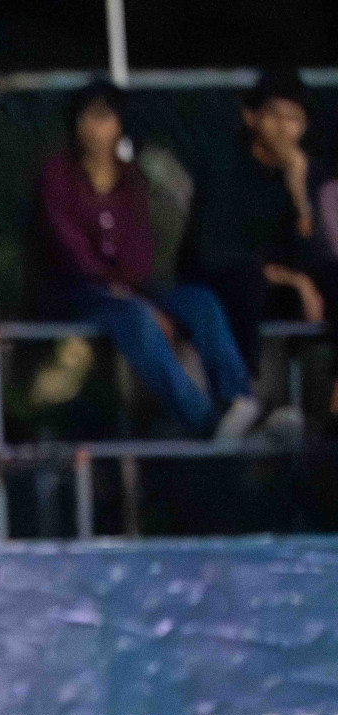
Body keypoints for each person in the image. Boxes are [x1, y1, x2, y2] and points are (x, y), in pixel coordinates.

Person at [36, 81, 260, 440]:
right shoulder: (57, 176)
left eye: (104, 118)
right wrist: (129, 296)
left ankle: (240, 403)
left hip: (136, 289)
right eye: (86, 118)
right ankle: (204, 421)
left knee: (201, 302)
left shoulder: (132, 179)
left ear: (119, 125)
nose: (93, 128)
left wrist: (138, 292)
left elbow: (140, 250)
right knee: (140, 319)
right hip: (80, 292)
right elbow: (70, 249)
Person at [182, 69, 338, 410]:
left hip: (286, 287)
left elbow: (313, 255)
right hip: (232, 279)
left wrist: (299, 195)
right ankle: (241, 400)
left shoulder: (307, 172)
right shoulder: (227, 165)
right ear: (251, 117)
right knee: (246, 282)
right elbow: (218, 250)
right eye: (275, 115)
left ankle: (334, 403)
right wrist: (295, 280)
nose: (285, 128)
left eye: (295, 118)